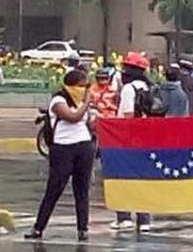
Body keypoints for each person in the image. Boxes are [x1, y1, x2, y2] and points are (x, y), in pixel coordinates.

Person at [24, 69, 94, 241]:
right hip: (63, 148)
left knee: (82, 189)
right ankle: (39, 227)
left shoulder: (81, 101)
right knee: (55, 188)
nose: (84, 89)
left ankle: (83, 228)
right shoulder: (59, 100)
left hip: (83, 146)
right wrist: (86, 103)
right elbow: (73, 117)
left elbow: (87, 123)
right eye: (81, 85)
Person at [111, 52, 152, 232]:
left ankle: (124, 217)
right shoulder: (148, 87)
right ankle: (144, 220)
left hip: (128, 139)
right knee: (143, 178)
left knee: (122, 177)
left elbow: (128, 117)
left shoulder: (129, 89)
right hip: (146, 137)